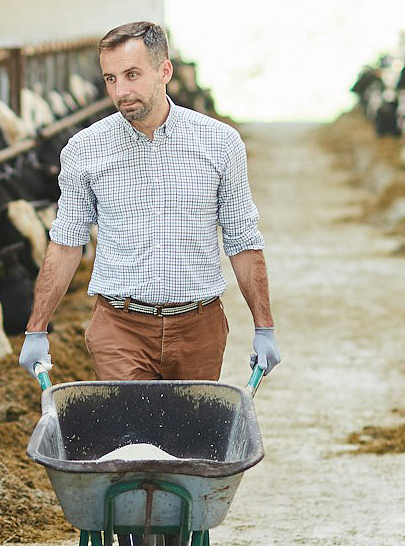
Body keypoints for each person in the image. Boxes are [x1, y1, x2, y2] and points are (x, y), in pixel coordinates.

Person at [18, 20, 279, 383]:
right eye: (110, 79)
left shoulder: (221, 143)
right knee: (132, 437)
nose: (121, 90)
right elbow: (65, 243)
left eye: (132, 74)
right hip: (120, 327)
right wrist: (36, 330)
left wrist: (263, 326)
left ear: (164, 71)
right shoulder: (84, 149)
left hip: (198, 328)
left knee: (191, 439)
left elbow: (243, 240)